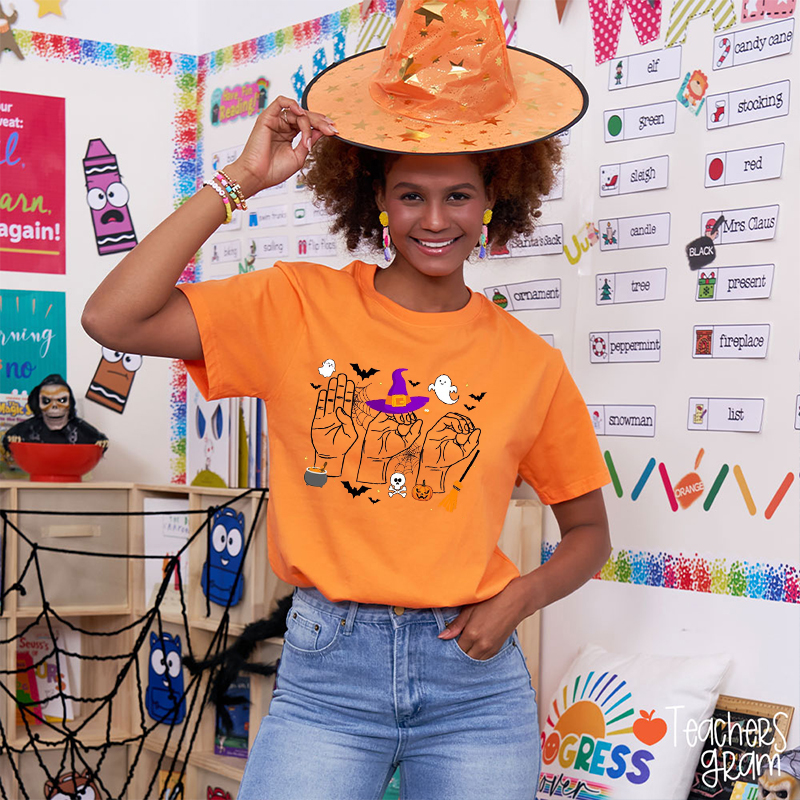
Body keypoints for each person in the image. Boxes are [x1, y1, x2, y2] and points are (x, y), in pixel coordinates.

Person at [82, 1, 611, 797]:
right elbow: (111, 315)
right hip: (330, 671)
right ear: (376, 198)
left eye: (459, 196)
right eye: (411, 196)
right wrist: (239, 182)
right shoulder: (297, 305)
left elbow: (589, 535)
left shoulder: (529, 363)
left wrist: (519, 599)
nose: (435, 220)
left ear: (495, 196)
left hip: (473, 680)